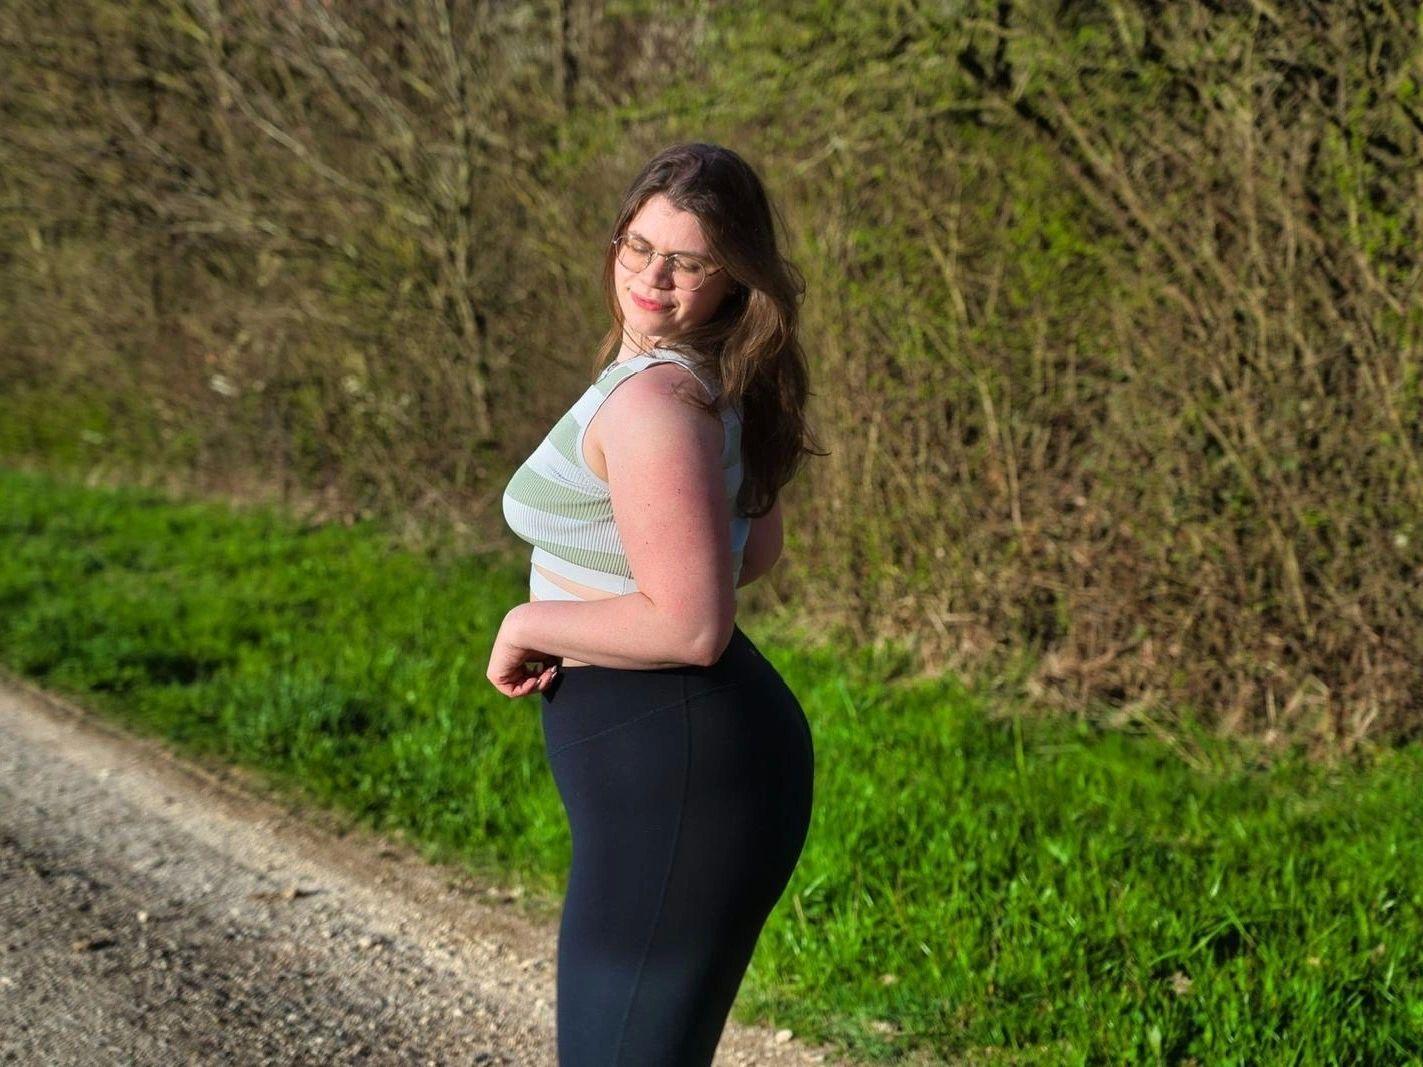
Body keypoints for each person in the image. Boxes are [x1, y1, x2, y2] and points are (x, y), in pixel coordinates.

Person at [490, 141, 825, 1066]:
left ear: (734, 276)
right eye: (638, 246)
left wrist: (528, 622)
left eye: (687, 261)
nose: (651, 276)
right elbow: (751, 552)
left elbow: (691, 624)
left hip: (673, 765)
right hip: (672, 751)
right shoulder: (704, 380)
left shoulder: (655, 407)